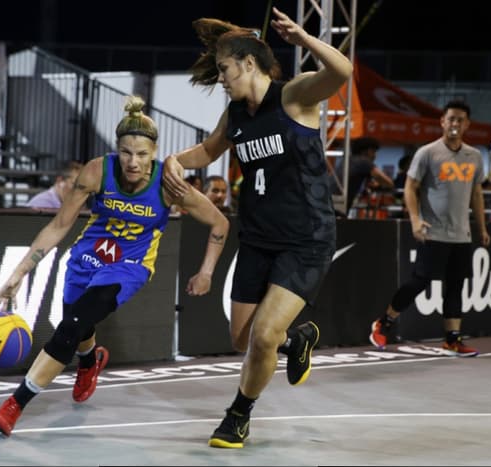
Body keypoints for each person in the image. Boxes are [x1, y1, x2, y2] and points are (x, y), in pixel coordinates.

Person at [162, 7, 353, 449]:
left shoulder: (294, 97)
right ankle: (298, 339)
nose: (222, 79)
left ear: (249, 64)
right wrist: (175, 159)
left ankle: (237, 415)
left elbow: (342, 69)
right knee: (242, 338)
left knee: (264, 336)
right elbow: (207, 152)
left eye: (225, 70)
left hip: (305, 239)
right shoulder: (236, 116)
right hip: (258, 238)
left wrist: (303, 38)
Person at [0, 95, 229, 437]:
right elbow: (58, 225)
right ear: (117, 150)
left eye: (142, 154)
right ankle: (89, 361)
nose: (133, 162)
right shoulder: (97, 170)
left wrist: (206, 272)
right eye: (126, 152)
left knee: (71, 324)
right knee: (76, 324)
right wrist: (18, 273)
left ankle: (13, 406)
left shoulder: (169, 185)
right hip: (88, 256)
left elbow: (220, 224)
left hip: (129, 266)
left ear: (155, 154)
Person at [369, 100, 491, 357]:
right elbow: (410, 188)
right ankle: (384, 322)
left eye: (460, 120)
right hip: (433, 231)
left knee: (456, 286)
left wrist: (482, 228)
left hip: (461, 234)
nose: (455, 124)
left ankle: (451, 340)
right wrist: (415, 219)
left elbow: (477, 194)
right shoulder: (428, 152)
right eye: (451, 119)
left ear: (467, 124)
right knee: (419, 282)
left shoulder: (474, 156)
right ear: (442, 122)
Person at [335, 136, 394, 215]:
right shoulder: (364, 162)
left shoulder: (348, 161)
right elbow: (388, 182)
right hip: (337, 207)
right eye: (373, 151)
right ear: (365, 151)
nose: (375, 155)